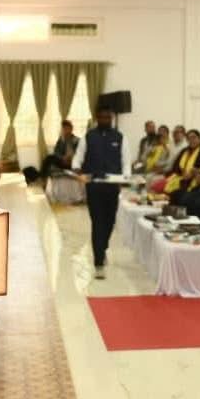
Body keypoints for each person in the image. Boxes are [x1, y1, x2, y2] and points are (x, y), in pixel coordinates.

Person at [73, 106, 129, 279]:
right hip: (94, 184)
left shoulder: (120, 137)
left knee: (110, 221)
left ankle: (102, 247)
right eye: (102, 117)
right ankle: (98, 262)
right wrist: (76, 169)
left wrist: (125, 178)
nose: (106, 120)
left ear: (111, 118)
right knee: (97, 222)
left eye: (108, 117)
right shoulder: (88, 137)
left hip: (112, 186)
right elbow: (78, 156)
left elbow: (126, 159)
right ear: (97, 118)